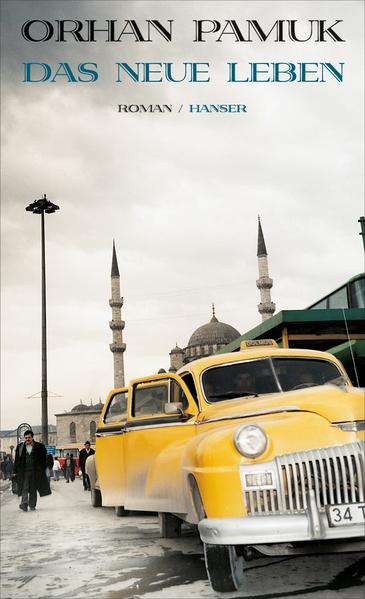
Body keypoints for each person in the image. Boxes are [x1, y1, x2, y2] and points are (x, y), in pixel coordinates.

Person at [13, 429, 51, 511]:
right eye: (26, 438)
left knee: (33, 488)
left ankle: (32, 505)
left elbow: (44, 460)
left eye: (29, 437)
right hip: (24, 472)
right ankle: (24, 503)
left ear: (33, 437)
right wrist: (15, 471)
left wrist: (42, 469)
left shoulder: (40, 446)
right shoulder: (20, 447)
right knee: (24, 487)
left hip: (35, 472)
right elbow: (17, 460)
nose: (27, 439)